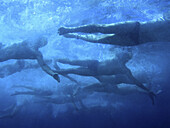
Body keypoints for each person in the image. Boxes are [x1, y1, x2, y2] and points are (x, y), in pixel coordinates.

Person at [54, 52, 155, 100]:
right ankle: (56, 59)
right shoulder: (116, 58)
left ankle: (56, 71)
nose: (124, 57)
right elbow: (114, 47)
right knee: (72, 63)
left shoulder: (124, 70)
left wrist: (147, 90)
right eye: (125, 55)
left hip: (96, 73)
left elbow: (136, 83)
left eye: (127, 57)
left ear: (127, 60)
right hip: (94, 64)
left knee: (73, 70)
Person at [58, 12, 170, 46]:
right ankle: (69, 29)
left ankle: (75, 35)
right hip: (136, 27)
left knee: (98, 40)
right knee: (102, 28)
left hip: (135, 41)